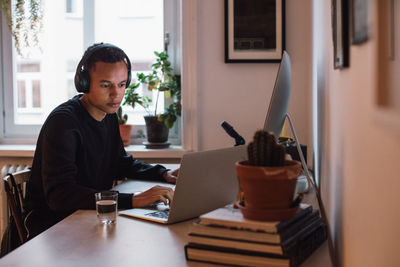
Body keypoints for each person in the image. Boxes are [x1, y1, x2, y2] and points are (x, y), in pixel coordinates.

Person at [24, 43, 177, 239]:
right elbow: (60, 196)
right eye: (106, 85)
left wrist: (163, 173)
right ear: (84, 83)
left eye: (122, 84)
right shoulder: (63, 123)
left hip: (86, 219)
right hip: (49, 229)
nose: (116, 94)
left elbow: (121, 163)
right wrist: (133, 200)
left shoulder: (108, 115)